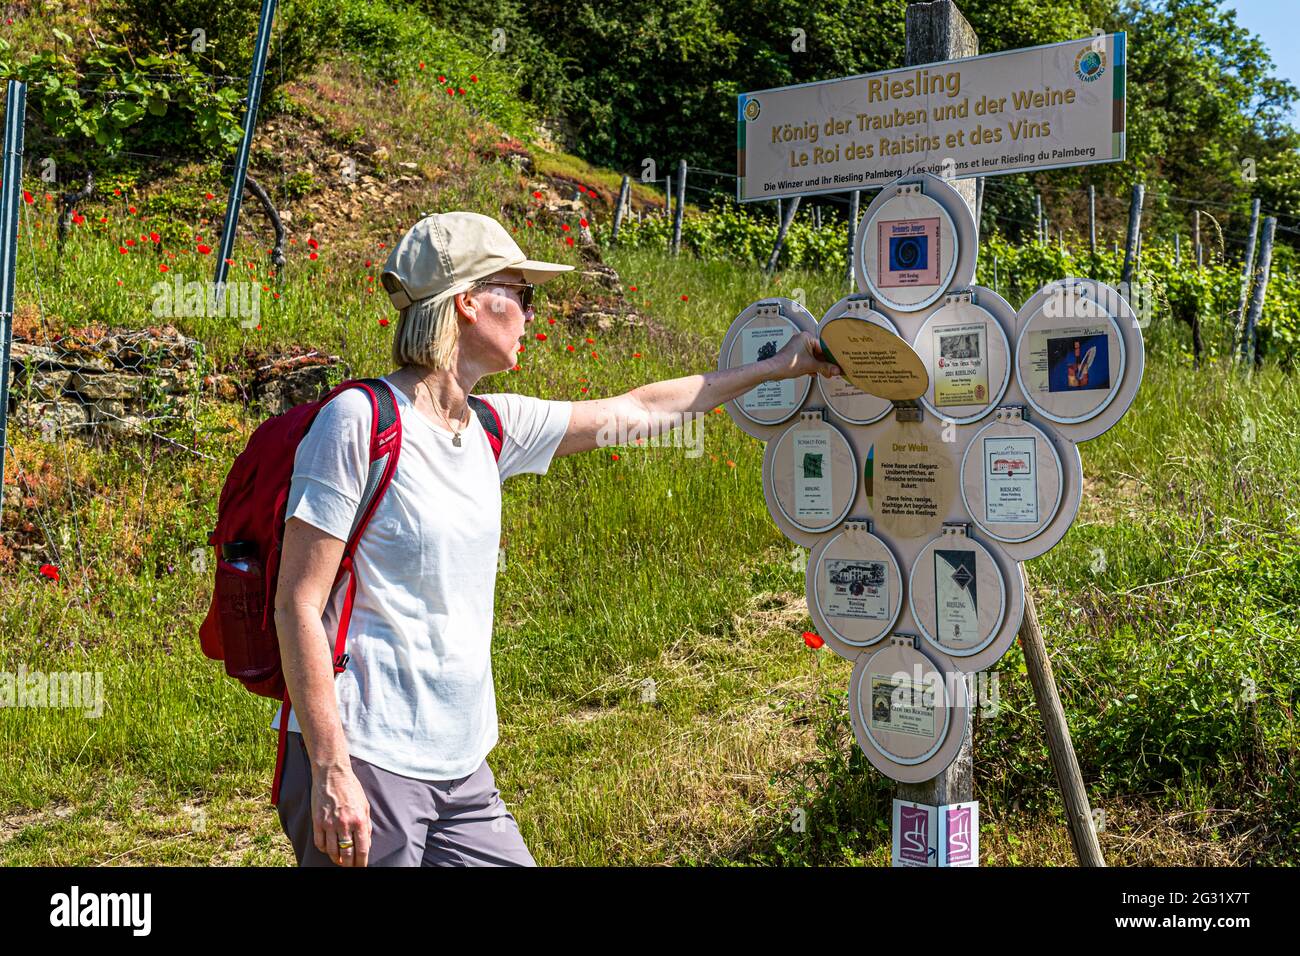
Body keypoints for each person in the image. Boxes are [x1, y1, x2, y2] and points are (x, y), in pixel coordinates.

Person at [272, 211, 841, 867]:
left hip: (460, 766)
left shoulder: (492, 427)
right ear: (466, 301)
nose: (529, 313)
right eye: (520, 292)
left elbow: (639, 409)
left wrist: (778, 367)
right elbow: (298, 605)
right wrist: (332, 768)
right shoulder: (358, 422)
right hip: (367, 755)